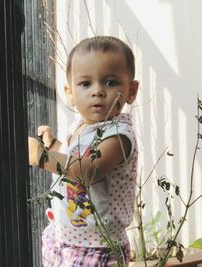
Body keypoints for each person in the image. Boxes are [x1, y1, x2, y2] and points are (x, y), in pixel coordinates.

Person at [28, 36, 139, 266]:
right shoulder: (79, 126)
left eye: (110, 82)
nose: (97, 91)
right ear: (69, 92)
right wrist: (53, 145)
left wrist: (41, 156)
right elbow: (73, 159)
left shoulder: (118, 135)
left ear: (131, 90)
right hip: (63, 240)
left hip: (98, 249)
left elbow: (89, 170)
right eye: (86, 84)